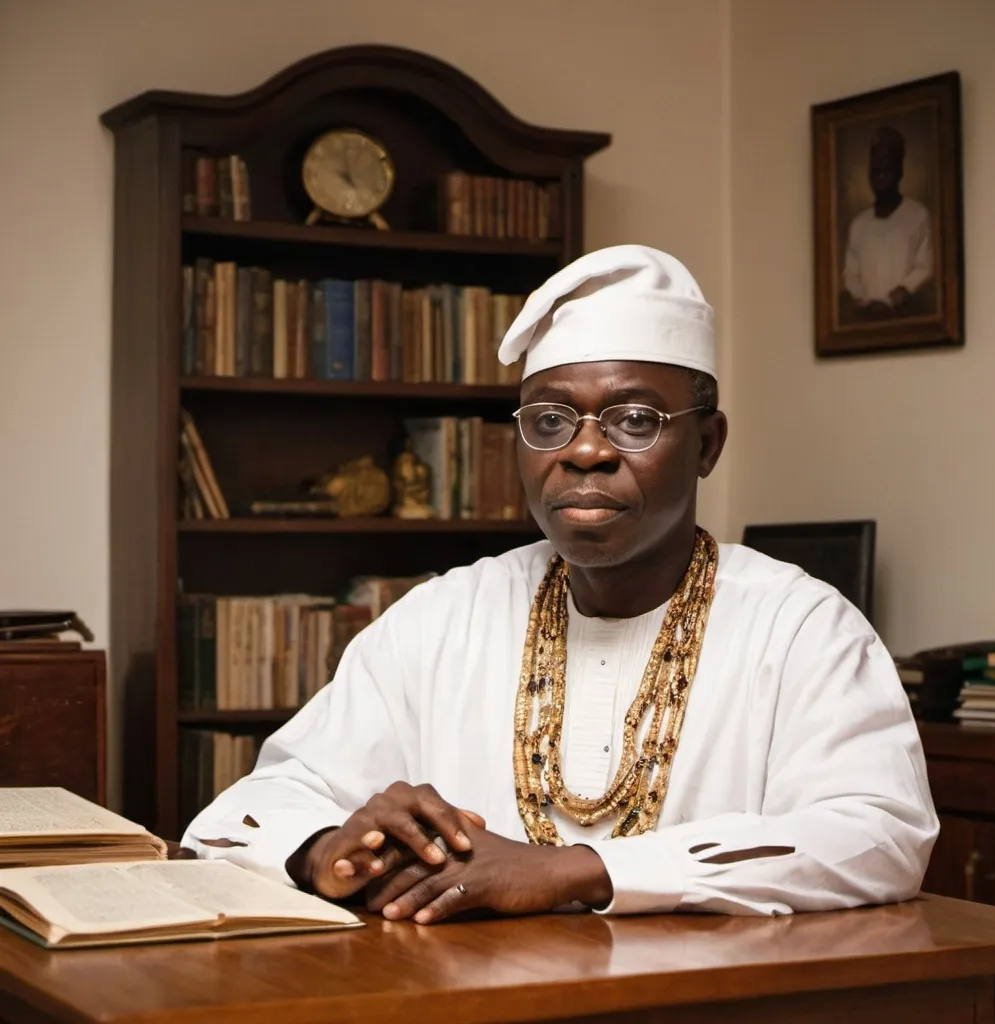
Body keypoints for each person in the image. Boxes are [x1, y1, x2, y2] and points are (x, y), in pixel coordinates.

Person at [182, 245, 938, 922]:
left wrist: (574, 871)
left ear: (706, 444)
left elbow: (879, 834)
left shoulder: (800, 626)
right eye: (549, 420)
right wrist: (332, 850)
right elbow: (237, 816)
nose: (583, 452)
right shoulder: (443, 617)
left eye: (634, 420)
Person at [842, 125, 934, 318]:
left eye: (886, 170)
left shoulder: (918, 215)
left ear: (899, 170)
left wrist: (904, 290)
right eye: (875, 171)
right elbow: (851, 274)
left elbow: (924, 266)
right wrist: (862, 298)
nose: (880, 178)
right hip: (867, 316)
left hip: (906, 315)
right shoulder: (858, 225)